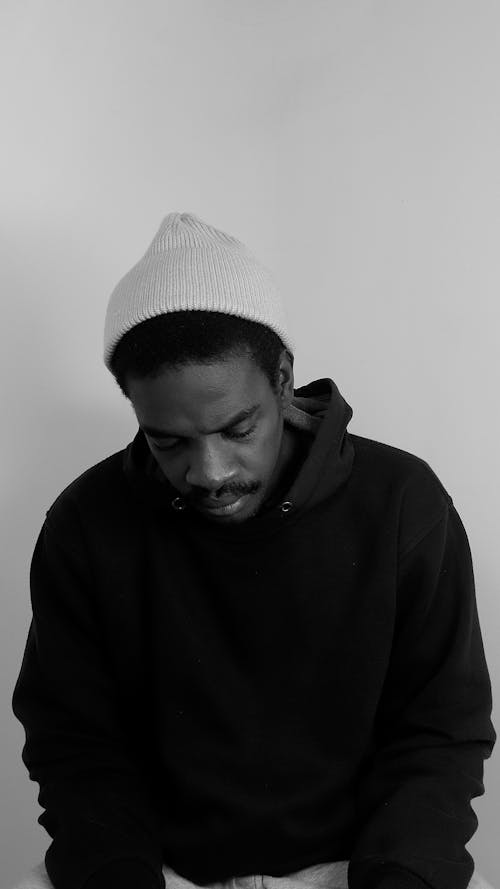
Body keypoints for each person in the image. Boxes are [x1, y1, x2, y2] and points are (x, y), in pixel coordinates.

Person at [12, 213, 496, 889]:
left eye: (238, 427)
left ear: (283, 379)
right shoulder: (86, 526)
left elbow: (440, 730)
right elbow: (77, 743)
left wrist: (399, 876)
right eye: (168, 441)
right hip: (159, 869)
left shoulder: (403, 506)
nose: (209, 471)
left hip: (361, 868)